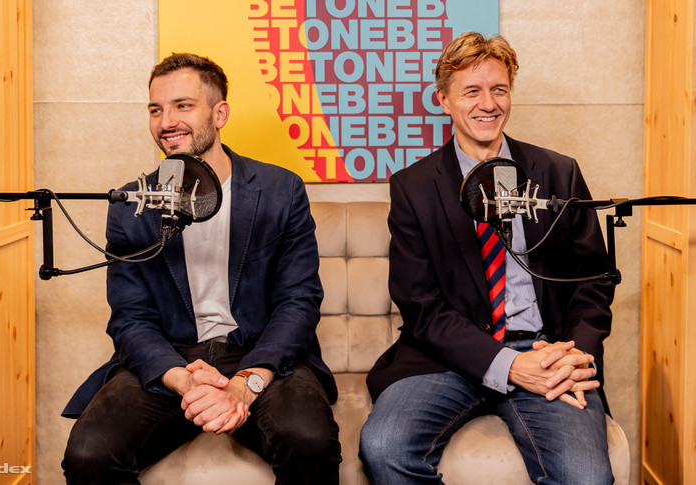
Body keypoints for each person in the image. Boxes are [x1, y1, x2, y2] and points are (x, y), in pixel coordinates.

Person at [61, 53, 341, 484]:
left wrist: (244, 383)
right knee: (88, 453)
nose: (166, 122)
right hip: (173, 357)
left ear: (219, 114)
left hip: (259, 352)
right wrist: (186, 383)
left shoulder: (280, 190)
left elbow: (298, 302)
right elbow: (130, 317)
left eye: (183, 106)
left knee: (309, 440)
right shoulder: (131, 204)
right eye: (156, 110)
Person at [359, 32, 616, 484]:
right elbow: (421, 306)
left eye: (499, 89)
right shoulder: (414, 188)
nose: (488, 104)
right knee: (384, 448)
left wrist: (576, 354)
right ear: (443, 100)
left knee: (587, 477)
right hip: (447, 359)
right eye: (471, 91)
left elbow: (592, 279)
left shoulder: (559, 172)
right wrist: (509, 365)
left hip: (546, 351)